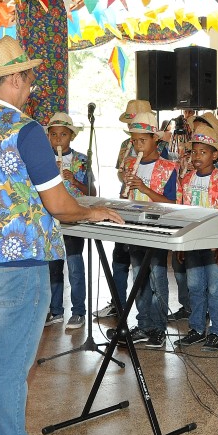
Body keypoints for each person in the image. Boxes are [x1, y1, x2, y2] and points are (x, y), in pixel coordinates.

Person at [0, 36, 121, 435]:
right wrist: (91, 212)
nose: (31, 89)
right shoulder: (25, 130)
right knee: (9, 372)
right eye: (28, 80)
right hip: (16, 264)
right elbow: (59, 205)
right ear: (13, 79)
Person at [121, 111, 179, 349]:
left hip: (156, 228)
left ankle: (159, 327)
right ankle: (143, 323)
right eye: (134, 140)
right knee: (139, 278)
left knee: (157, 278)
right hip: (134, 227)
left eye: (142, 140)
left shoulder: (168, 167)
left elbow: (172, 203)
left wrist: (144, 188)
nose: (137, 145)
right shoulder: (130, 164)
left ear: (156, 139)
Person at [176, 117, 218, 351]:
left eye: (203, 152)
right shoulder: (186, 179)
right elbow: (180, 211)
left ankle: (217, 331)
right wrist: (180, 243)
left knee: (216, 289)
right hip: (192, 244)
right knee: (195, 287)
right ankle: (197, 328)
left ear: (215, 156)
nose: (197, 157)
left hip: (215, 245)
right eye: (194, 152)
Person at [95, 99, 153, 319]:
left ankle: (148, 315)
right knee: (119, 258)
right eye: (130, 122)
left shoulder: (160, 145)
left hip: (146, 208)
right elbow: (120, 170)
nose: (131, 127)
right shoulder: (125, 145)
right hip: (127, 201)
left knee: (144, 266)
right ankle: (117, 302)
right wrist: (126, 177)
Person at [44, 112, 93, 329]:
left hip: (73, 219)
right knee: (53, 267)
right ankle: (55, 311)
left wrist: (74, 180)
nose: (58, 139)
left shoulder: (81, 160)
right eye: (53, 134)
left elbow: (92, 191)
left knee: (75, 266)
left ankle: (79, 311)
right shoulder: (43, 160)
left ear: (71, 137)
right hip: (51, 220)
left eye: (63, 134)